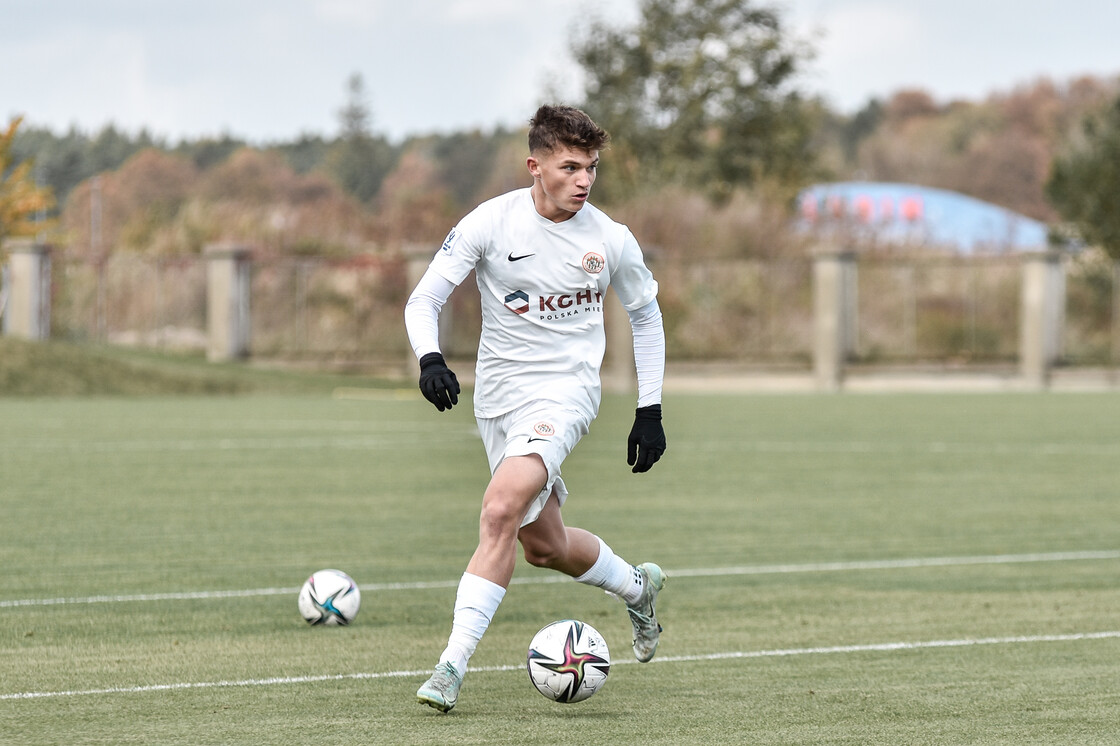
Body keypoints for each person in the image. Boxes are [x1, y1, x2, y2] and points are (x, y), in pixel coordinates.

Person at [403, 104, 668, 713]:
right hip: (498, 398)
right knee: (542, 544)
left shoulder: (610, 239)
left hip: (566, 391)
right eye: (570, 166)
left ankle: (450, 666)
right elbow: (425, 299)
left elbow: (646, 316)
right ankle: (638, 587)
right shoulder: (491, 224)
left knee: (499, 508)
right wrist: (430, 358)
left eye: (592, 168)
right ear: (535, 165)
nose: (583, 181)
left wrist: (648, 409)